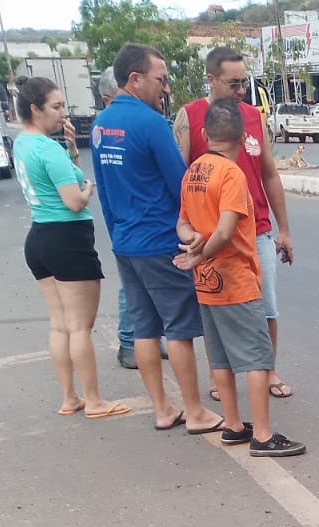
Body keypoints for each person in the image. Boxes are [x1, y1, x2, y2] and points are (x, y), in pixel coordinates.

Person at [90, 43, 222, 434]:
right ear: (135, 79)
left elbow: (105, 189)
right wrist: (199, 237)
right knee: (180, 328)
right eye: (160, 80)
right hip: (161, 242)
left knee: (145, 329)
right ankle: (195, 411)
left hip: (125, 243)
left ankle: (163, 410)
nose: (165, 89)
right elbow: (182, 186)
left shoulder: (101, 125)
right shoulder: (150, 124)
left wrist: (118, 235)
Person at [174, 100, 305, 458]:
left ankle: (233, 426)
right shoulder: (232, 175)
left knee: (220, 359)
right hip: (235, 278)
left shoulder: (193, 171)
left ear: (203, 135)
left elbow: (182, 223)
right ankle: (262, 434)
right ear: (244, 136)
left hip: (205, 283)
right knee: (258, 358)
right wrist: (201, 252)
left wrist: (192, 245)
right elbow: (228, 231)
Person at [173, 45, 295, 402]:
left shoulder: (253, 118)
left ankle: (267, 368)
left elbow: (269, 174)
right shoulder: (191, 116)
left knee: (266, 307)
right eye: (233, 83)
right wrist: (189, 233)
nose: (241, 91)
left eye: (245, 83)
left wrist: (283, 229)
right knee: (215, 310)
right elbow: (180, 177)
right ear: (211, 79)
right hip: (212, 238)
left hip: (257, 230)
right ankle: (219, 376)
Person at [11, 75, 130, 421]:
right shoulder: (47, 149)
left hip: (39, 238)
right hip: (67, 239)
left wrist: (72, 149)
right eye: (57, 106)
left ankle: (70, 397)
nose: (63, 112)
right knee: (80, 327)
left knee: (60, 324)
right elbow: (74, 201)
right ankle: (94, 401)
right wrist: (89, 189)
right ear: (35, 109)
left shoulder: (24, 144)